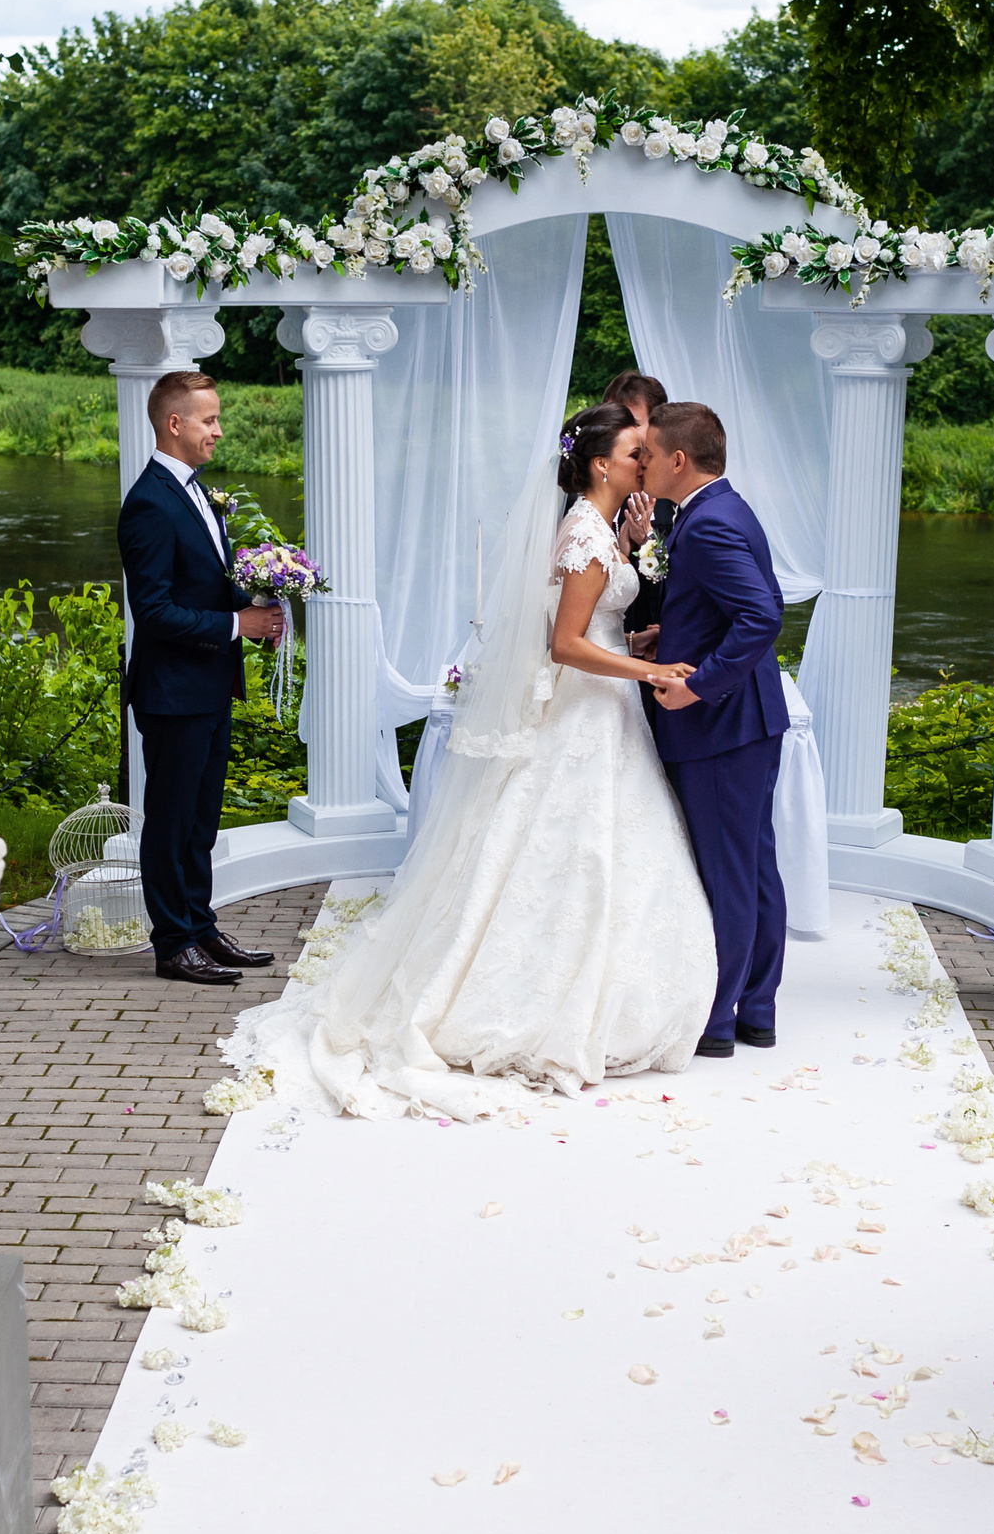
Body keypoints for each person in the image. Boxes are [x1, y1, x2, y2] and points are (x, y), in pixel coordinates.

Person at [223, 401, 715, 1118]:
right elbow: (565, 646)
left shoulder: (602, 528)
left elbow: (592, 630)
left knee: (601, 852)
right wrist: (652, 669)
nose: (648, 459)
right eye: (637, 449)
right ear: (602, 462)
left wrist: (631, 649)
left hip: (604, 714)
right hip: (587, 715)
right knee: (569, 852)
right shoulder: (582, 531)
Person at [118, 369, 286, 986]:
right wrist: (235, 625)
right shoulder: (149, 504)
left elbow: (207, 582)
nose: (218, 430)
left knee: (200, 821)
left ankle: (200, 926)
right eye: (209, 419)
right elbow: (155, 612)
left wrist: (265, 597)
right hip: (172, 691)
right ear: (175, 424)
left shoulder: (197, 492)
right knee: (169, 821)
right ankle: (172, 944)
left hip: (209, 686)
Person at [646, 402, 793, 1055]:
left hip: (722, 723)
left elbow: (761, 617)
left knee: (730, 869)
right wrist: (668, 633)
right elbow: (733, 607)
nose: (642, 463)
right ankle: (757, 1006)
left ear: (678, 460)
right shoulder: (720, 508)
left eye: (648, 453)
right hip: (748, 720)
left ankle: (720, 1019)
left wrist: (697, 685)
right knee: (754, 865)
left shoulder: (705, 525)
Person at [600, 369, 672, 649]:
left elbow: (681, 586)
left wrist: (648, 544)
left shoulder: (672, 497)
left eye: (632, 422)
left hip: (659, 649)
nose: (619, 431)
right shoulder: (581, 494)